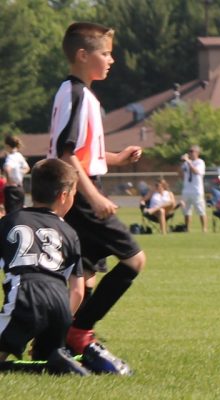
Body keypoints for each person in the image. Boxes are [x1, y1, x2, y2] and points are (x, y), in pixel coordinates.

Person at [48, 21, 145, 360]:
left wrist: (115, 158)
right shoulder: (76, 94)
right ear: (82, 55)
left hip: (79, 190)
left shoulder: (79, 93)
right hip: (79, 194)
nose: (111, 60)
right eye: (105, 53)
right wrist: (94, 197)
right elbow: (66, 153)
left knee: (84, 277)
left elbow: (83, 152)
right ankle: (79, 333)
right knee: (134, 260)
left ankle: (55, 339)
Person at [0, 159, 88, 375]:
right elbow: (77, 290)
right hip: (60, 307)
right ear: (64, 196)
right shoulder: (69, 232)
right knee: (45, 362)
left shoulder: (11, 221)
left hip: (25, 297)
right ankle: (55, 360)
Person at [180, 144, 207, 233]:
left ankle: (204, 228)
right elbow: (180, 174)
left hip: (196, 190)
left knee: (200, 210)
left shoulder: (200, 162)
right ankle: (187, 228)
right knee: (186, 211)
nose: (190, 153)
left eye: (192, 151)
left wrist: (188, 161)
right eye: (189, 151)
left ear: (197, 153)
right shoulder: (186, 163)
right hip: (187, 189)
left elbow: (195, 172)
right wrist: (181, 162)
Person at [3, 134, 31, 214]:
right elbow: (27, 168)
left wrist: (9, 181)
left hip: (12, 189)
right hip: (20, 188)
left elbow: (7, 169)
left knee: (11, 214)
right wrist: (19, 173)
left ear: (7, 146)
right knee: (20, 212)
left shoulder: (10, 157)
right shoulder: (19, 155)